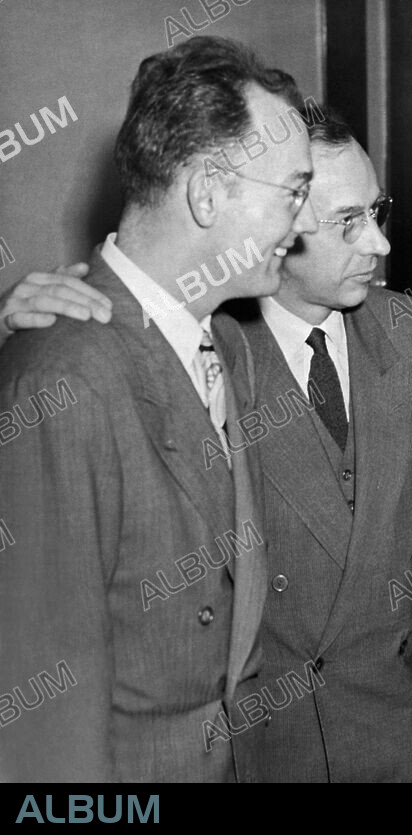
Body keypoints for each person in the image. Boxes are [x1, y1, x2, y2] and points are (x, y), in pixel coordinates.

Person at [1, 111, 412, 783]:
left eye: (378, 211)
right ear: (278, 230)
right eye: (346, 222)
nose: (378, 243)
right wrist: (16, 322)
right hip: (275, 747)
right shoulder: (208, 353)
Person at [0, 36, 316, 782]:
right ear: (207, 190)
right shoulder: (61, 378)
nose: (300, 227)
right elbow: (45, 723)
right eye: (292, 193)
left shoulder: (224, 347)